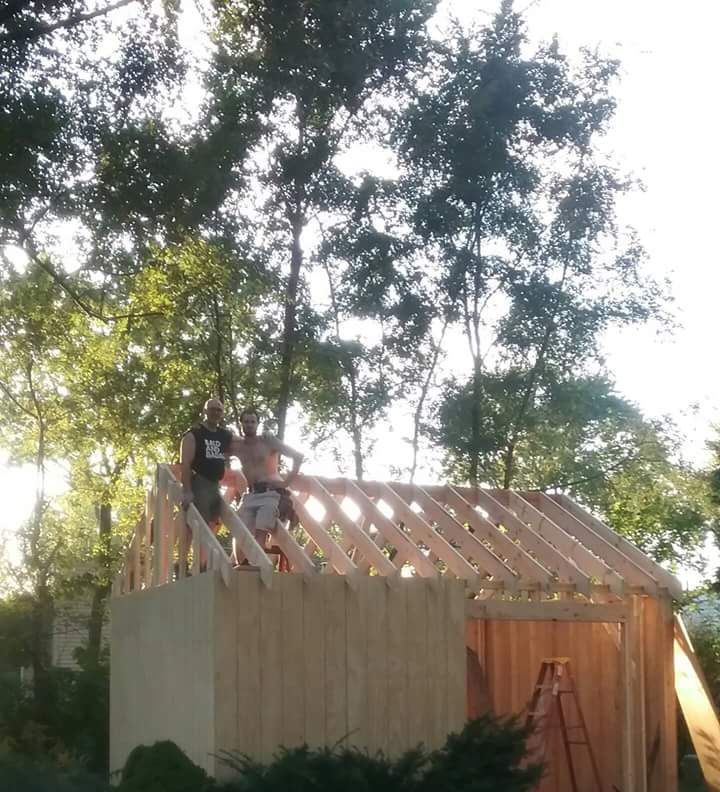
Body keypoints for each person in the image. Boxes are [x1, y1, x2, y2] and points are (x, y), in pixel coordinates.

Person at [230, 406, 304, 548]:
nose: (249, 425)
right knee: (239, 531)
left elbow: (298, 456)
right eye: (246, 422)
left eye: (252, 422)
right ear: (241, 424)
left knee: (261, 529)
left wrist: (286, 482)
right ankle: (241, 566)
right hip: (251, 494)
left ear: (257, 424)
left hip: (270, 493)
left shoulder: (268, 441)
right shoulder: (238, 446)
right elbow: (220, 443)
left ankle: (258, 566)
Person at [180, 398, 233, 528]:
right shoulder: (194, 434)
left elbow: (245, 444)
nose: (215, 413)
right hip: (200, 484)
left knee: (212, 523)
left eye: (219, 410)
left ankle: (204, 549)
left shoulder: (224, 435)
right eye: (212, 409)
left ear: (222, 413)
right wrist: (187, 491)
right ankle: (194, 549)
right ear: (205, 411)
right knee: (199, 526)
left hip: (215, 486)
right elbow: (185, 463)